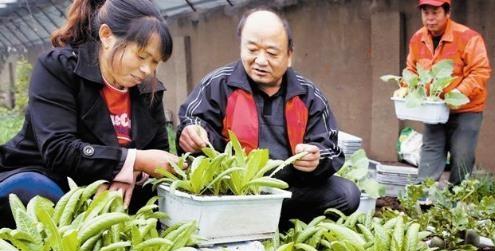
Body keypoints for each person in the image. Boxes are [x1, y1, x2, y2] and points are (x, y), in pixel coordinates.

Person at [0, 0, 179, 227]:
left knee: (159, 202)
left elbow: (158, 154)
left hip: (112, 191)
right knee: (33, 195)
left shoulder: (148, 91)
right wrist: (133, 161)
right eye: (142, 56)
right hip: (50, 179)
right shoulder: (60, 69)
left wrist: (130, 173)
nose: (147, 70)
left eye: (155, 62)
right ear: (106, 36)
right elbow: (58, 149)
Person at [177, 8, 360, 228]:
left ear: (289, 55)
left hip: (288, 190)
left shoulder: (309, 95)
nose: (261, 61)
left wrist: (315, 159)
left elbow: (329, 147)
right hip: (232, 191)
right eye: (252, 49)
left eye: (272, 53)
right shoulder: (218, 84)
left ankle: (274, 224)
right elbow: (193, 119)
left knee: (347, 194)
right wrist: (192, 132)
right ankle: (249, 222)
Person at [408, 0, 491, 185]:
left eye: (435, 12)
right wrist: (407, 89)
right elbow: (412, 70)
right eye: (425, 13)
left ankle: (455, 202)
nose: (430, 18)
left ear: (447, 13)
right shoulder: (417, 39)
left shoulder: (469, 38)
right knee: (430, 153)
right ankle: (423, 201)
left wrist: (456, 94)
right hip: (434, 110)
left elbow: (480, 72)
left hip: (466, 109)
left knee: (462, 156)